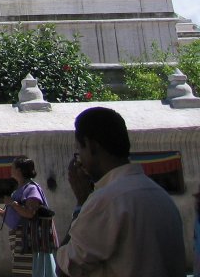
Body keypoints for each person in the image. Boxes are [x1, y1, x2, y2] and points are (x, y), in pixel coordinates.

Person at [56, 106, 187, 277]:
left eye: (79, 151)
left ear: (91, 146)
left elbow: (65, 269)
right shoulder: (159, 195)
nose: (79, 159)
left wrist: (81, 204)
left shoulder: (106, 201)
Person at [0, 156, 57, 277]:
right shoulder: (19, 189)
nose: (11, 169)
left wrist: (12, 203)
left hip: (31, 240)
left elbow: (30, 213)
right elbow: (18, 216)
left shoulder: (31, 188)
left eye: (13, 167)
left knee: (30, 271)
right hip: (21, 241)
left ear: (19, 170)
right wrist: (0, 211)